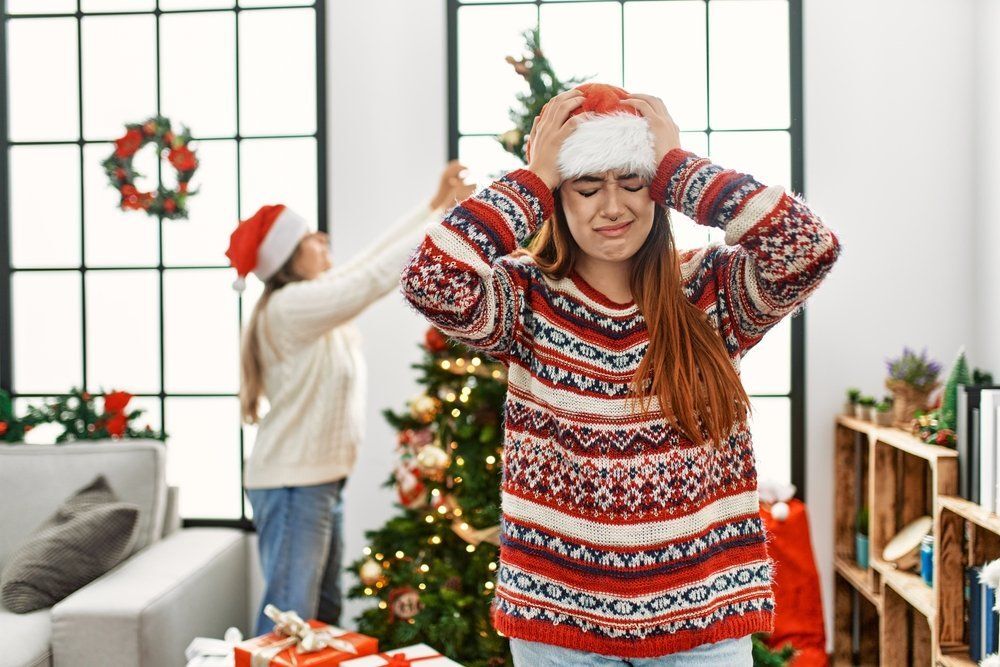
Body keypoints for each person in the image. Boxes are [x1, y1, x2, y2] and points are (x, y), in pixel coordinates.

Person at [400, 84, 841, 666]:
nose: (614, 206)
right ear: (560, 197)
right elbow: (430, 280)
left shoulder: (709, 292)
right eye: (586, 186)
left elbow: (809, 247)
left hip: (703, 626)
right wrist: (532, 179)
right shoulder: (526, 298)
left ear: (658, 191)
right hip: (557, 630)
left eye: (633, 182)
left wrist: (680, 167)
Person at [228, 163, 473, 636]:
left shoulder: (311, 297)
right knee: (290, 616)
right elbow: (371, 279)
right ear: (288, 260)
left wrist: (435, 206)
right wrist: (452, 221)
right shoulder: (293, 306)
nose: (323, 238)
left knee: (320, 611)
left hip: (315, 482)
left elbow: (366, 262)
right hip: (293, 486)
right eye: (310, 238)